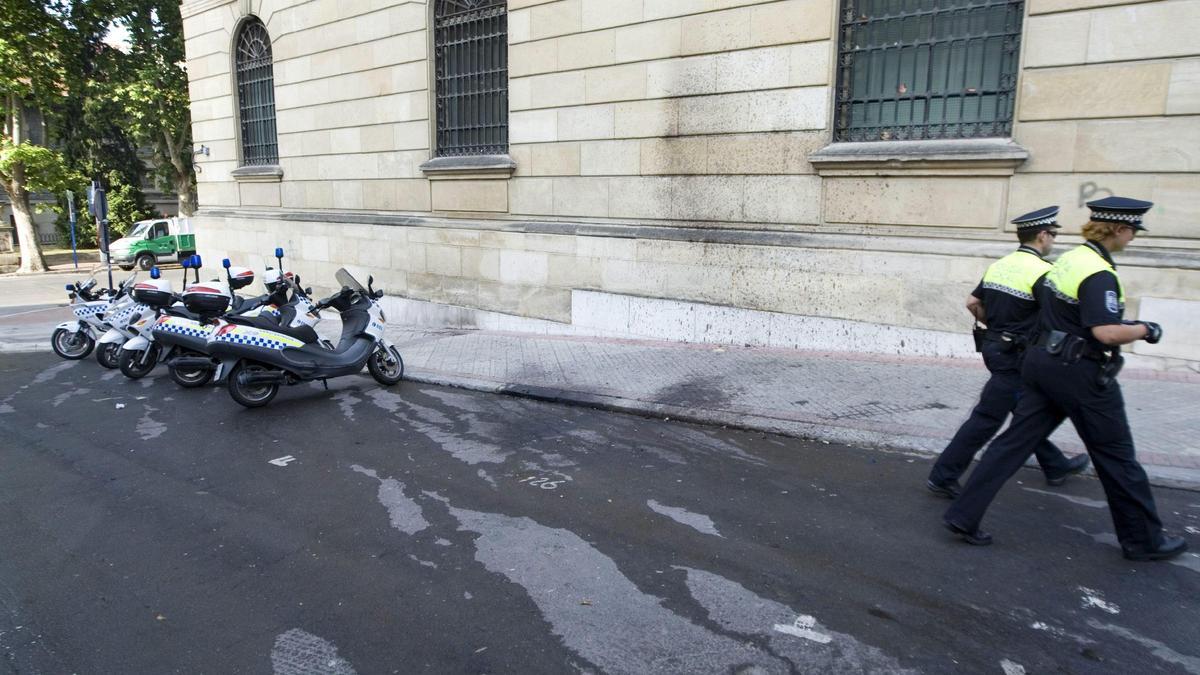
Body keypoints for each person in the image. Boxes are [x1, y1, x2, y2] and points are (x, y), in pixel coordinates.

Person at [943, 196, 1187, 561]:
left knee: (1011, 444)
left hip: (1040, 365)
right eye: (1132, 231)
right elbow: (1104, 331)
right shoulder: (1098, 273)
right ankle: (1143, 540)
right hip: (1080, 372)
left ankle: (963, 514)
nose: (1133, 237)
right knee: (1117, 456)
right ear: (1119, 229)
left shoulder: (1070, 259)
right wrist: (1144, 329)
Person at [927, 206, 1089, 499]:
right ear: (1042, 235)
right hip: (1017, 357)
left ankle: (1055, 465)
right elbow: (1055, 319)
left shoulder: (999, 266)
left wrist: (997, 326)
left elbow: (972, 302)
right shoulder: (1044, 273)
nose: (1053, 240)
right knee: (987, 418)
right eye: (1052, 234)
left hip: (995, 348)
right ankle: (943, 475)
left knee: (1028, 411)